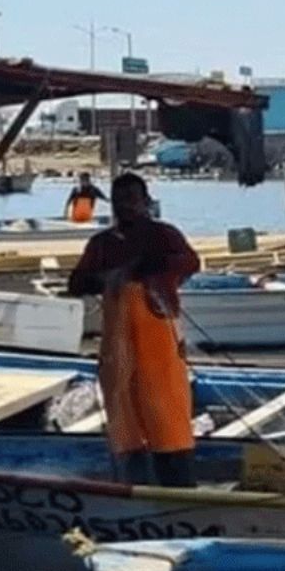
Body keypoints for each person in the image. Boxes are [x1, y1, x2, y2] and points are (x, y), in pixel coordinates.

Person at [67, 173, 200, 487]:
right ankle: (131, 486)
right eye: (119, 200)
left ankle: (179, 487)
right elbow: (76, 283)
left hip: (159, 341)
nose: (126, 206)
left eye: (132, 199)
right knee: (125, 421)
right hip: (118, 345)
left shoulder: (163, 236)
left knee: (167, 416)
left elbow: (191, 263)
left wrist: (141, 270)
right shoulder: (101, 244)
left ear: (146, 201)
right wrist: (104, 279)